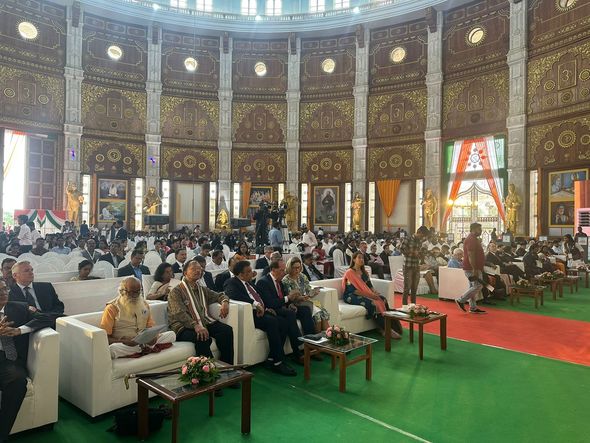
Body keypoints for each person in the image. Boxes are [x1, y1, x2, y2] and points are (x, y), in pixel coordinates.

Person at [0, 279, 53, 441]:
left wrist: (19, 330)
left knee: (18, 382)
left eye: (4, 289)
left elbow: (46, 318)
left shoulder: (20, 307)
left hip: (9, 360)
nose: (3, 293)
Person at [224, 260, 296, 376]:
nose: (252, 273)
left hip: (263, 311)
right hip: (252, 314)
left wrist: (266, 308)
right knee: (272, 322)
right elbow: (233, 295)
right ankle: (278, 362)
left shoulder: (250, 283)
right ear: (241, 275)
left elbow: (260, 298)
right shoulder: (231, 282)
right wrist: (256, 304)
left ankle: (272, 358)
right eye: (248, 271)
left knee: (283, 323)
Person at [168, 261, 234, 368]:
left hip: (203, 321)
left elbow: (219, 295)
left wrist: (225, 302)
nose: (198, 271)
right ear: (185, 272)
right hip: (182, 327)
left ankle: (227, 367)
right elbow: (179, 313)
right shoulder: (176, 291)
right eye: (193, 269)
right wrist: (195, 325)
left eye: (199, 269)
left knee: (226, 330)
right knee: (203, 337)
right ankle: (210, 370)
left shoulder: (202, 289)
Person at [99, 277, 176, 359]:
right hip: (126, 344)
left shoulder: (144, 305)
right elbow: (105, 338)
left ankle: (143, 347)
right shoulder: (112, 308)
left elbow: (150, 328)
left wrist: (153, 337)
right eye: (132, 292)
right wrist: (126, 342)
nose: (135, 295)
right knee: (113, 349)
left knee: (171, 335)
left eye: (138, 292)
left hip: (144, 341)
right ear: (122, 291)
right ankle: (144, 348)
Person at [256, 261, 310, 362]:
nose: (284, 272)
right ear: (273, 270)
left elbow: (284, 298)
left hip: (282, 308)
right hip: (272, 309)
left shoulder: (279, 281)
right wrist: (288, 298)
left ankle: (311, 344)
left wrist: (290, 304)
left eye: (284, 270)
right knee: (289, 314)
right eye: (281, 270)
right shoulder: (263, 282)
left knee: (305, 310)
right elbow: (270, 303)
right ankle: (296, 349)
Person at [342, 252, 401, 338]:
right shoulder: (349, 273)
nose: (361, 260)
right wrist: (371, 296)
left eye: (363, 258)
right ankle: (385, 329)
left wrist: (374, 292)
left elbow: (369, 285)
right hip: (351, 295)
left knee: (383, 299)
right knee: (372, 303)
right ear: (354, 259)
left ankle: (389, 326)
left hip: (365, 293)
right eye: (359, 258)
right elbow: (353, 291)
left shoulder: (364, 272)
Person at [282, 257, 330, 333]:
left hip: (305, 300)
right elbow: (290, 297)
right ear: (290, 268)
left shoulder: (302, 276)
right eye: (295, 268)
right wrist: (301, 298)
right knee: (317, 315)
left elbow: (308, 290)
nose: (297, 270)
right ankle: (317, 338)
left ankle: (327, 336)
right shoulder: (286, 280)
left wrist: (313, 292)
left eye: (299, 267)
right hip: (295, 304)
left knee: (322, 312)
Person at [9, 261, 65, 326]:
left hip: (51, 322)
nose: (31, 273)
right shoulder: (9, 293)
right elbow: (15, 316)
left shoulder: (46, 287)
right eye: (26, 271)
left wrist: (47, 317)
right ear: (15, 275)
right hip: (27, 326)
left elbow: (59, 306)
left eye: (31, 270)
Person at [455, 223, 486, 314]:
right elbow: (470, 255)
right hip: (471, 268)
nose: (481, 231)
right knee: (478, 286)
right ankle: (461, 300)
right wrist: (474, 269)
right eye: (479, 229)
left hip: (473, 267)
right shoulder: (471, 239)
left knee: (473, 287)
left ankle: (473, 307)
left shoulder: (474, 239)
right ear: (473, 229)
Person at [400, 226, 430, 306]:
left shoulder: (420, 241)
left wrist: (421, 254)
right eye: (422, 235)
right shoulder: (407, 238)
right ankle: (404, 306)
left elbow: (419, 253)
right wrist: (412, 252)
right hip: (408, 266)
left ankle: (413, 306)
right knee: (407, 288)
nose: (422, 237)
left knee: (414, 288)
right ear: (418, 232)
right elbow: (401, 249)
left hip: (416, 266)